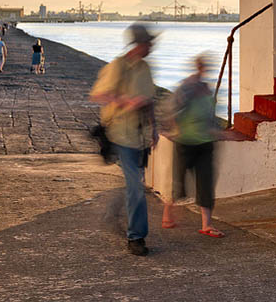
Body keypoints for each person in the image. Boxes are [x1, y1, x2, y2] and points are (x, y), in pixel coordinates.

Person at [90, 23, 158, 256]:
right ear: (138, 45)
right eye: (148, 43)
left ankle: (115, 214)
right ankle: (136, 237)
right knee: (136, 186)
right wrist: (126, 102)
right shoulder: (118, 66)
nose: (151, 47)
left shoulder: (146, 68)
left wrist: (154, 129)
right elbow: (97, 94)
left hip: (140, 137)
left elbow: (149, 100)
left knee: (134, 185)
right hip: (120, 135)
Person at [160, 54, 225, 238]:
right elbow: (171, 108)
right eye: (203, 66)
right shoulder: (187, 87)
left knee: (206, 183)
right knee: (178, 182)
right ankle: (167, 214)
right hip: (186, 142)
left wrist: (216, 130)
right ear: (198, 67)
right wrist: (175, 128)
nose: (204, 70)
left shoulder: (206, 88)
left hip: (205, 142)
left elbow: (210, 113)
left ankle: (207, 224)